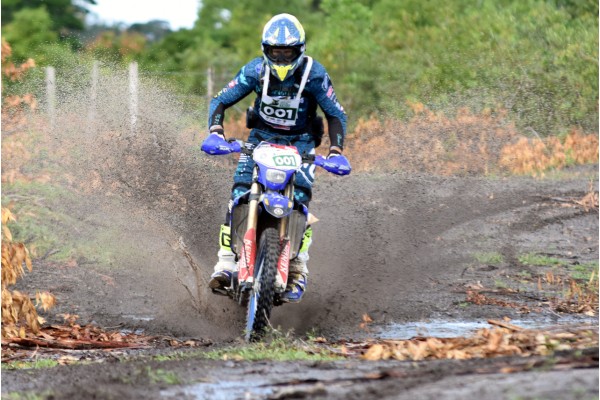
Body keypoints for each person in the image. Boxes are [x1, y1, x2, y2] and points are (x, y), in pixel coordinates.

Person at [202, 13, 349, 303]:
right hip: (260, 140)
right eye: (275, 52)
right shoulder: (255, 71)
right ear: (265, 50)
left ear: (299, 50)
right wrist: (216, 132)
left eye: (287, 52)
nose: (281, 58)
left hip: (301, 144)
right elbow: (220, 100)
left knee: (301, 203)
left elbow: (335, 113)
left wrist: (336, 151)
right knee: (239, 194)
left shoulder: (315, 75)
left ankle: (298, 268)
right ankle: (225, 264)